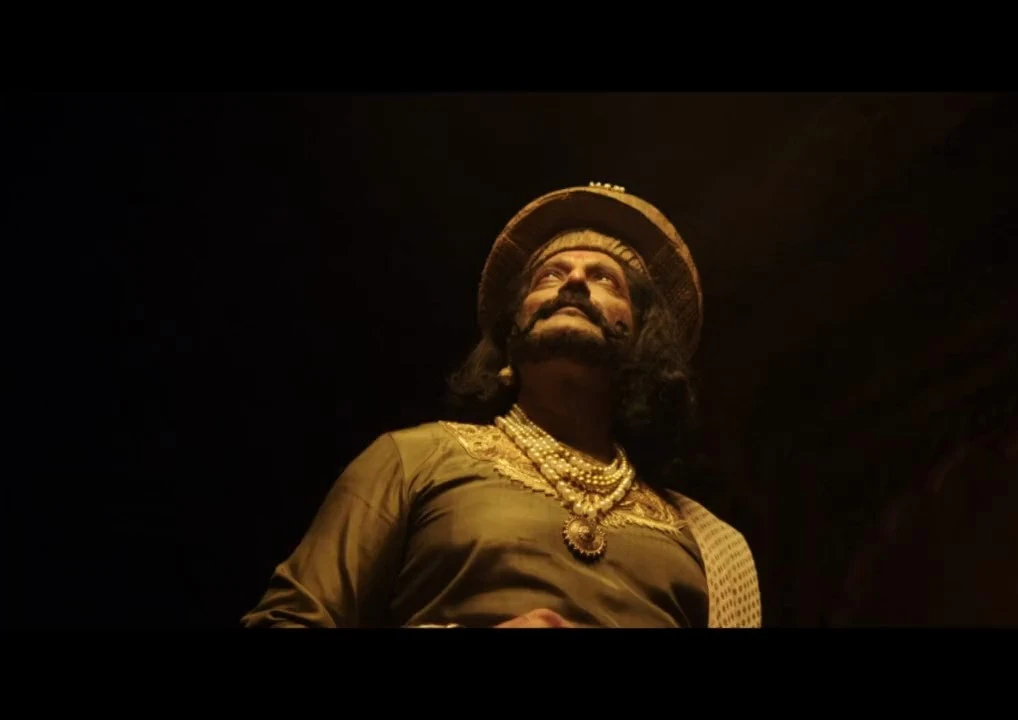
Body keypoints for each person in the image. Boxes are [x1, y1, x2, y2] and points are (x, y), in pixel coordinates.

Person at [241, 182, 761, 628]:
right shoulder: (415, 458)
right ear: (514, 328)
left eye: (605, 279)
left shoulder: (711, 545)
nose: (574, 281)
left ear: (642, 335)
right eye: (549, 275)